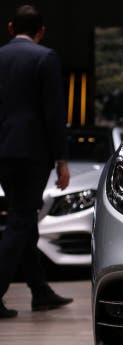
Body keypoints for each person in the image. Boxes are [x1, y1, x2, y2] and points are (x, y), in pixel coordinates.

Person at [0, 5, 74, 319]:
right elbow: (54, 114)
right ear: (41, 31)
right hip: (32, 153)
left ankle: (40, 291)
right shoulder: (45, 57)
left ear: (10, 27)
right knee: (20, 220)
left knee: (23, 219)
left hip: (2, 152)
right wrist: (62, 160)